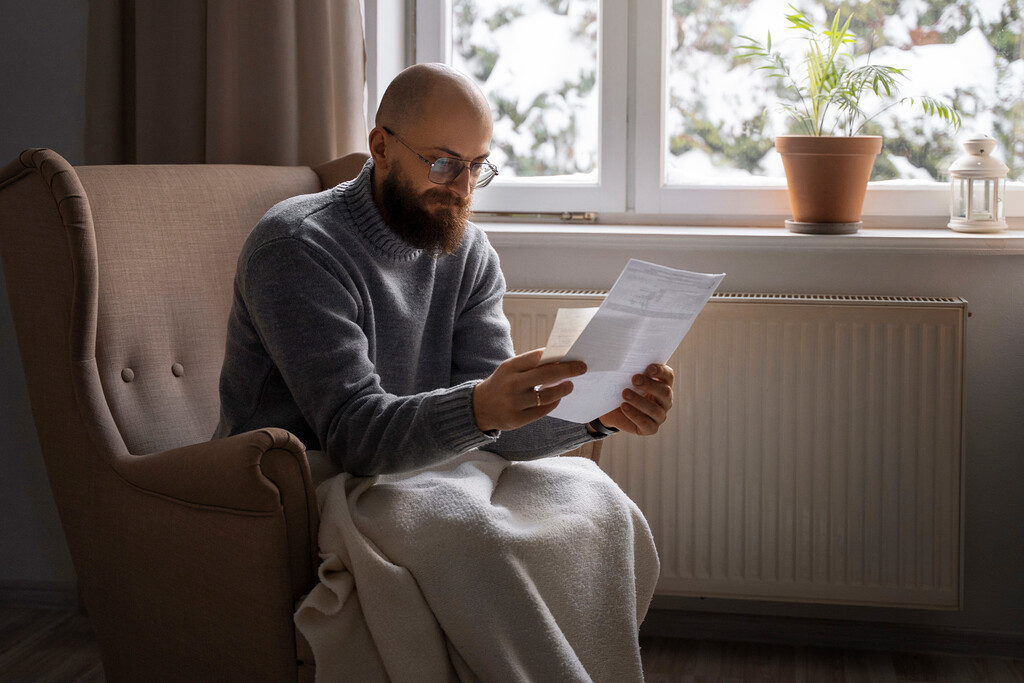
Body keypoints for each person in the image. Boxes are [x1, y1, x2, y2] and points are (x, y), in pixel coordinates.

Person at [214, 62, 675, 474]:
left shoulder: (469, 253)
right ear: (381, 147)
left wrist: (596, 417)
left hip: (412, 475)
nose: (463, 188)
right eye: (443, 163)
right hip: (290, 489)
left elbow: (498, 427)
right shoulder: (298, 248)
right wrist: (478, 408)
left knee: (594, 511)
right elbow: (352, 436)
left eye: (477, 167)